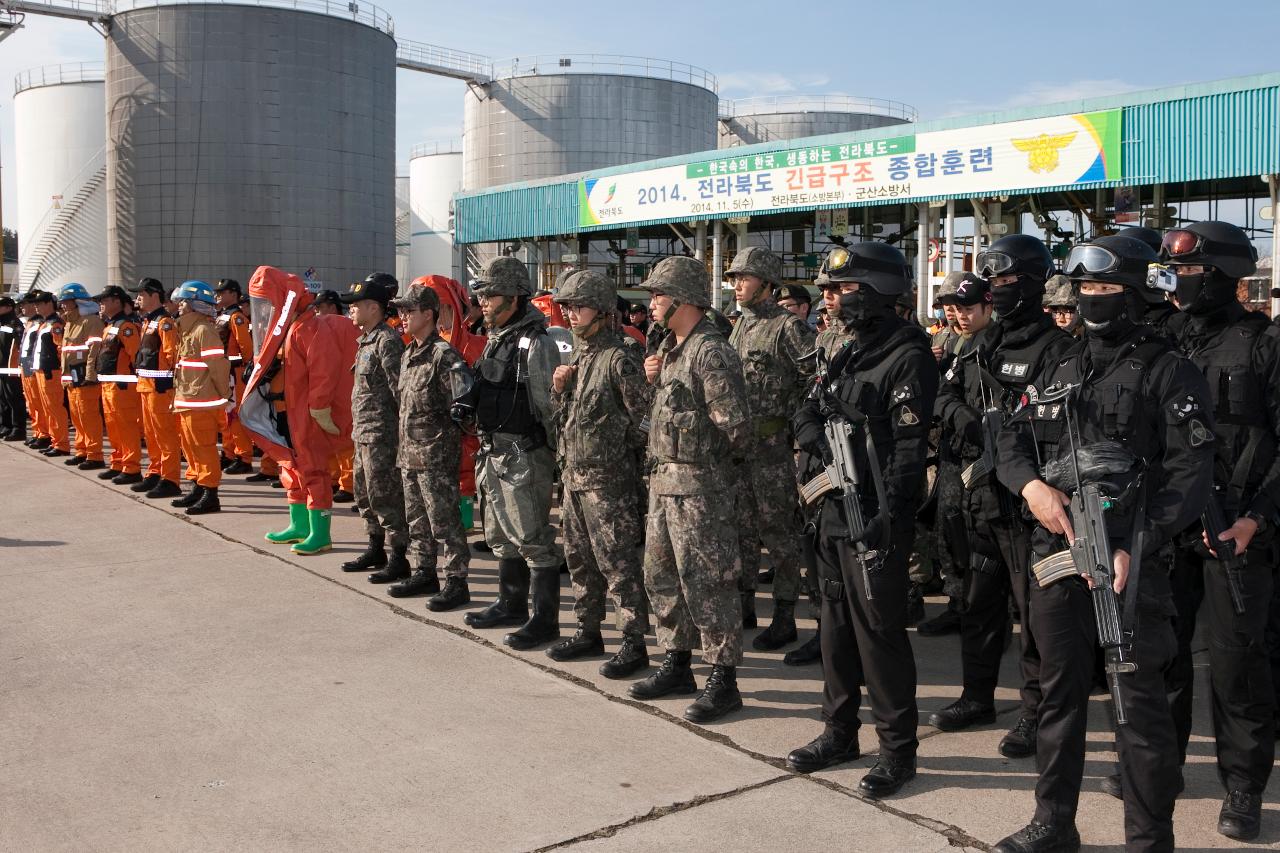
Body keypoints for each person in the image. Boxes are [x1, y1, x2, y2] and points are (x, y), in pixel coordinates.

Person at [992, 234, 1215, 853]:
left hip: (1130, 563)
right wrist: (1031, 486)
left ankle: (1148, 839)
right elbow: (1009, 441)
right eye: (1085, 289)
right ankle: (1052, 822)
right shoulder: (1059, 361)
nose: (1093, 300)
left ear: (1136, 292)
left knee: (1136, 713)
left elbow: (1188, 475)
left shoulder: (1170, 369)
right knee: (1057, 698)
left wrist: (1136, 543)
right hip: (1057, 551)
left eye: (1107, 289)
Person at [784, 243, 937, 798]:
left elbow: (906, 450)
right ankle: (839, 733)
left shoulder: (908, 355)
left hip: (874, 517)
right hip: (831, 512)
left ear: (878, 292)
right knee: (835, 628)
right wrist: (809, 435)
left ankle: (898, 751)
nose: (832, 300)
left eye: (842, 290)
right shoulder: (847, 350)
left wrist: (889, 519)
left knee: (880, 636)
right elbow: (808, 406)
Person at [929, 235, 1072, 761]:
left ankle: (1035, 714)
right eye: (995, 282)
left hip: (1027, 508)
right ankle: (977, 696)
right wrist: (962, 419)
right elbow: (944, 393)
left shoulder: (1057, 349)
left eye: (1010, 281)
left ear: (1033, 283)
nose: (1001, 291)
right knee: (977, 604)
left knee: (1035, 617)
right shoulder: (980, 344)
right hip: (979, 497)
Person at [1161, 221, 1276, 841]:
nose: (1174, 281)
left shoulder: (1265, 344)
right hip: (1169, 526)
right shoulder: (1162, 340)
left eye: (1186, 270)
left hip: (1237, 531)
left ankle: (1243, 787)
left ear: (1222, 274)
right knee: (1163, 657)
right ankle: (1160, 769)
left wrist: (1256, 520)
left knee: (1237, 667)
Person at [629, 255, 751, 722]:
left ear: (681, 298)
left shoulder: (710, 351)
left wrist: (711, 471)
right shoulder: (672, 349)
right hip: (664, 483)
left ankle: (723, 679)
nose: (653, 302)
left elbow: (735, 427)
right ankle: (676, 662)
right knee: (660, 576)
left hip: (700, 488)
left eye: (658, 294)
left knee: (708, 582)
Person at [546, 270, 653, 676]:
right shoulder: (578, 356)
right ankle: (588, 630)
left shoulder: (620, 357)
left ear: (603, 310)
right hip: (574, 478)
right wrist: (559, 392)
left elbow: (646, 420)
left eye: (580, 306)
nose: (572, 314)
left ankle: (633, 641)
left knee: (618, 563)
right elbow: (563, 422)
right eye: (568, 307)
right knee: (578, 558)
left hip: (610, 485)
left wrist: (622, 453)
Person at [457, 257, 565, 650]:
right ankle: (511, 602)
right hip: (494, 453)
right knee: (500, 535)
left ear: (515, 298)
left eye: (491, 295)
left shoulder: (536, 342)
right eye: (481, 295)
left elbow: (548, 407)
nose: (482, 302)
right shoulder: (497, 338)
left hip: (523, 456)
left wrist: (556, 460)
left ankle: (544, 619)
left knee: (533, 537)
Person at [726, 246, 817, 650]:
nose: (737, 285)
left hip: (773, 451)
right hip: (739, 450)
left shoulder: (788, 328)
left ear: (766, 283)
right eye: (734, 278)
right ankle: (745, 606)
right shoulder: (739, 326)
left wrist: (797, 433)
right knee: (741, 531)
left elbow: (813, 382)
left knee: (778, 535)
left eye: (744, 278)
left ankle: (784, 617)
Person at [245, 266, 358, 554]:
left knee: (314, 470)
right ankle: (299, 525)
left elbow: (325, 371)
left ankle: (320, 534)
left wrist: (320, 409)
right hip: (284, 411)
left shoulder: (309, 328)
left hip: (304, 414)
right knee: (291, 468)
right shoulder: (285, 329)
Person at [785, 268, 859, 667]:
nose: (828, 297)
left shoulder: (868, 339)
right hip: (818, 456)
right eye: (825, 291)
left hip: (852, 459)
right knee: (816, 551)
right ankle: (825, 631)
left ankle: (854, 645)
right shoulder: (826, 337)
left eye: (836, 290)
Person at [918, 273, 993, 639]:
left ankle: (983, 604)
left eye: (967, 308)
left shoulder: (995, 343)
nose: (959, 316)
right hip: (954, 448)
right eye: (954, 309)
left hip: (987, 453)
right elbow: (943, 392)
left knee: (982, 530)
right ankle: (957, 601)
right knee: (948, 523)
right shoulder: (952, 343)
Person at [390, 282, 473, 611]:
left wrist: (444, 442)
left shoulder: (444, 354)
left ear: (428, 314)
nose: (403, 317)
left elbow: (462, 407)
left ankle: (456, 580)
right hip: (409, 453)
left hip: (435, 454)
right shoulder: (408, 353)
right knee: (416, 519)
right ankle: (424, 571)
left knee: (445, 521)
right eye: (401, 311)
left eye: (408, 311)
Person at [337, 277, 411, 582]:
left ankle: (399, 557)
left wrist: (401, 438)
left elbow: (400, 391)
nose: (351, 310)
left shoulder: (387, 341)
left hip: (382, 435)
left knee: (387, 498)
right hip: (364, 434)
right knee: (366, 495)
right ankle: (375, 548)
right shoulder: (366, 340)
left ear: (373, 307)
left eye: (356, 305)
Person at [169, 281, 231, 515]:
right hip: (187, 400)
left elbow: (218, 367)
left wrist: (225, 395)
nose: (180, 305)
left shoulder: (203, 330)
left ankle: (210, 494)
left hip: (201, 402)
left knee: (204, 448)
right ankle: (197, 486)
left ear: (195, 305)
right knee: (190, 447)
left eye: (184, 301)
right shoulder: (187, 330)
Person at [131, 278, 184, 498]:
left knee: (165, 434)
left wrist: (169, 383)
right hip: (146, 385)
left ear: (154, 296)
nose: (138, 299)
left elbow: (172, 354)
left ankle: (170, 478)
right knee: (151, 434)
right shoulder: (148, 321)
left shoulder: (165, 322)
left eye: (141, 295)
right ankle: (155, 471)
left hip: (160, 387)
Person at [93, 285, 144, 484]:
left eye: (104, 300)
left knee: (126, 426)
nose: (101, 304)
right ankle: (118, 462)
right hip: (109, 384)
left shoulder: (127, 326)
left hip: (123, 385)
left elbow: (135, 356)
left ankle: (131, 467)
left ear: (116, 301)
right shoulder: (111, 325)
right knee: (113, 427)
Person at [56, 283, 107, 471]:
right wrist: (65, 375)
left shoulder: (91, 321)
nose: (62, 305)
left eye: (65, 301)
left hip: (85, 378)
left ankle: (94, 455)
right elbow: (66, 352)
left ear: (76, 302)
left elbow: (94, 349)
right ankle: (82, 451)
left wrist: (90, 374)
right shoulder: (69, 321)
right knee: (77, 416)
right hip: (72, 377)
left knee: (89, 416)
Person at [214, 279, 256, 475]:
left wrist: (246, 368)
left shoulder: (236, 317)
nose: (218, 295)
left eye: (222, 292)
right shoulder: (222, 316)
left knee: (235, 415)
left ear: (233, 294)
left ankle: (244, 456)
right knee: (226, 416)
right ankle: (229, 453)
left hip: (235, 372)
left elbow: (246, 347)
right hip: (224, 372)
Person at [0, 296, 27, 441]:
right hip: (2, 368)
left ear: (9, 307)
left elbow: (18, 348)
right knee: (3, 399)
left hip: (11, 368)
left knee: (14, 399)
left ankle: (18, 429)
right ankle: (6, 426)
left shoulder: (14, 324)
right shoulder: (2, 323)